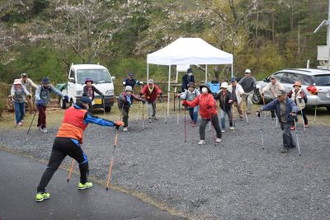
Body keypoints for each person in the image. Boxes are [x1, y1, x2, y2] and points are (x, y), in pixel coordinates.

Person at [35, 96, 124, 202]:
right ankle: (83, 182)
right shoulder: (84, 113)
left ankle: (40, 192)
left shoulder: (68, 110)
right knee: (83, 160)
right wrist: (114, 123)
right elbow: (98, 120)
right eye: (88, 104)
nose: (89, 106)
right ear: (85, 104)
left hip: (58, 140)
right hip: (70, 141)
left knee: (51, 167)